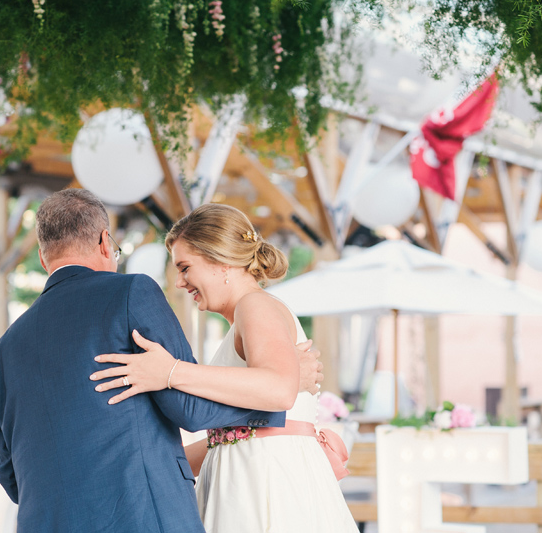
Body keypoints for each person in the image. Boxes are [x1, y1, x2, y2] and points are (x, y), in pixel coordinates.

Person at [0, 189, 323, 532]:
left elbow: (11, 479)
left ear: (42, 258)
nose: (179, 280)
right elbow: (190, 409)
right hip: (143, 518)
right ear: (104, 242)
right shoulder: (129, 294)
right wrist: (287, 391)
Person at [93, 203, 358, 533]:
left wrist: (171, 372)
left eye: (185, 267)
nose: (179, 282)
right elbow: (234, 435)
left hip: (265, 487)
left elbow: (278, 389)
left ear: (221, 262)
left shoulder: (255, 304)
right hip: (248, 480)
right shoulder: (246, 316)